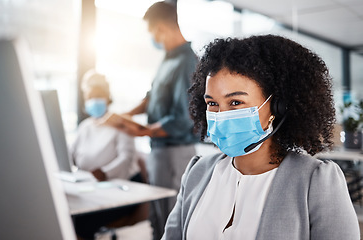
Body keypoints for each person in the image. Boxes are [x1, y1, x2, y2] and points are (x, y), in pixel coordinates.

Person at [162, 35, 360, 240]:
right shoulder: (198, 172)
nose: (221, 116)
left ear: (276, 107)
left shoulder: (317, 180)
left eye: (236, 103)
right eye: (212, 103)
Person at [122, 2, 198, 239]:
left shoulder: (188, 62)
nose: (152, 38)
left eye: (152, 32)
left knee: (171, 222)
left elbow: (184, 117)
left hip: (175, 153)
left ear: (163, 27)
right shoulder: (167, 59)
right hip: (159, 151)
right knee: (157, 220)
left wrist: (145, 132)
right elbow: (151, 97)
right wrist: (126, 116)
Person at [70, 69, 144, 240]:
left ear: (107, 97)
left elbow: (126, 159)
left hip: (121, 191)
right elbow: (70, 154)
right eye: (90, 96)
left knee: (82, 222)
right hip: (91, 190)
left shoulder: (119, 124)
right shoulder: (85, 127)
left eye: (99, 95)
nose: (94, 100)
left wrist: (104, 173)